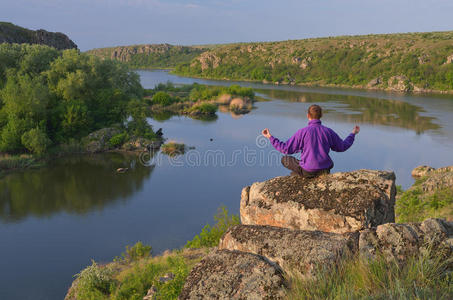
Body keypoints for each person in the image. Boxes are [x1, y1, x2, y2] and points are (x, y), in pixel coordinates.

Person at [261, 104, 360, 178]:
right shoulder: (328, 131)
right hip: (324, 169)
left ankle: (298, 174)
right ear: (321, 115)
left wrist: (270, 137)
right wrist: (353, 133)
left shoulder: (302, 132)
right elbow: (342, 146)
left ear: (308, 115)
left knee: (284, 159)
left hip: (308, 171)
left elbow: (286, 149)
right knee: (309, 161)